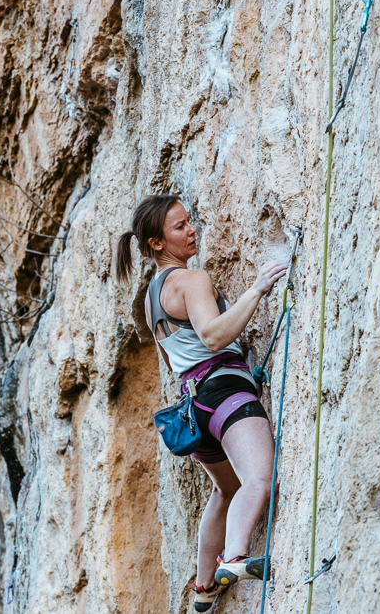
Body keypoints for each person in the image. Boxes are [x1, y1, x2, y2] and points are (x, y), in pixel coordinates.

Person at [115, 195, 288, 612]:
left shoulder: (151, 297)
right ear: (157, 243)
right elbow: (211, 337)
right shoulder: (191, 280)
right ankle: (233, 557)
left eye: (189, 222)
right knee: (258, 480)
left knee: (226, 491)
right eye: (179, 227)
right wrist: (258, 289)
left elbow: (180, 357)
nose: (191, 230)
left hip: (195, 409)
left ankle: (204, 588)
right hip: (225, 393)